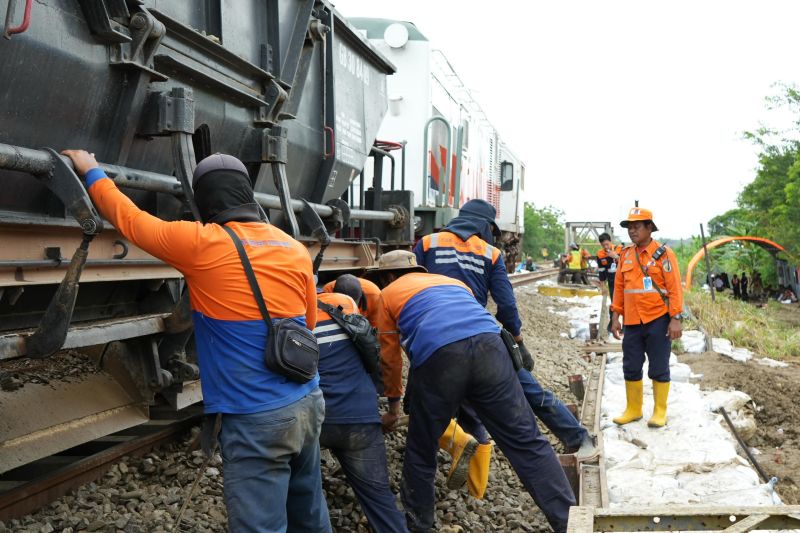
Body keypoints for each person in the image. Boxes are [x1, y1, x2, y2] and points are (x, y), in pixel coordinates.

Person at [62, 150, 331, 532]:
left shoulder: (201, 242)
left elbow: (131, 220)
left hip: (256, 417)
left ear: (204, 201)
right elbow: (308, 321)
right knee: (310, 516)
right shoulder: (291, 246)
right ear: (247, 195)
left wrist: (91, 171)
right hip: (308, 401)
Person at [369, 250, 576, 533]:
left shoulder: (387, 294)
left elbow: (390, 357)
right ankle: (570, 523)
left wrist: (394, 405)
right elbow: (467, 327)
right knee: (527, 442)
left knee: (421, 450)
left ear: (387, 276)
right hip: (491, 348)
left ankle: (419, 525)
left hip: (442, 356)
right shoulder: (453, 283)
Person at [413, 199, 595, 495]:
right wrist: (517, 339)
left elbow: (412, 285)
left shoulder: (427, 243)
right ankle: (577, 437)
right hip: (481, 334)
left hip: (435, 339)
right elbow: (506, 305)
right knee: (529, 388)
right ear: (484, 226)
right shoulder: (491, 253)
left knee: (431, 401)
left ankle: (465, 482)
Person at [315, 276, 408, 532]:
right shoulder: (348, 309)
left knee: (304, 493)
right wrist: (392, 405)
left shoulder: (292, 314)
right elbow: (377, 361)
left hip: (315, 422)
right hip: (360, 420)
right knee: (380, 499)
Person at [610, 207, 683, 429]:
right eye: (629, 227)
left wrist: (676, 318)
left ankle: (660, 412)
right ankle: (633, 409)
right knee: (630, 365)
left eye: (637, 227)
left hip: (658, 319)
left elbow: (674, 288)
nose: (632, 231)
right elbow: (619, 288)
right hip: (632, 321)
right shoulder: (626, 255)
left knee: (659, 366)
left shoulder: (663, 254)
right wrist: (615, 316)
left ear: (649, 227)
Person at [596, 233, 621, 298]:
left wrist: (616, 257)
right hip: (611, 282)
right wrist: (603, 286)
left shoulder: (619, 249)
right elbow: (601, 271)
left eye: (607, 244)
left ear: (610, 241)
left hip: (622, 281)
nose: (605, 247)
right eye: (603, 245)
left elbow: (626, 264)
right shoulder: (600, 254)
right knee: (613, 299)